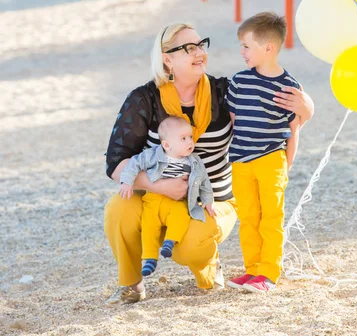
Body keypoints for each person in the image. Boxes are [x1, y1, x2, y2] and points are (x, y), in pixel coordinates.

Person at [104, 22, 314, 304]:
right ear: (168, 59)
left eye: (201, 45)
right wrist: (160, 186)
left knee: (192, 248)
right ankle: (131, 284)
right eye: (189, 48)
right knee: (119, 208)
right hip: (157, 199)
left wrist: (306, 107)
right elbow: (116, 161)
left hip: (214, 200)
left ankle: (209, 265)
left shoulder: (225, 91)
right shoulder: (144, 100)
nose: (199, 52)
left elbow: (277, 98)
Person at [225, 12, 303, 294]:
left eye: (246, 46)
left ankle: (269, 272)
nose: (242, 52)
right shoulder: (239, 81)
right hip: (241, 162)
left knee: (271, 218)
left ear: (267, 48)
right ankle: (252, 269)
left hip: (272, 161)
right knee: (248, 218)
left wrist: (286, 165)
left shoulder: (289, 87)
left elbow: (294, 129)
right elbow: (234, 120)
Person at [119, 116, 215, 277]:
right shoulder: (152, 155)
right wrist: (127, 182)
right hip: (153, 200)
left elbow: (204, 182)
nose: (190, 142)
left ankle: (170, 242)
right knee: (149, 226)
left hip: (177, 201)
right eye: (183, 138)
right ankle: (149, 258)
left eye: (190, 137)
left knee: (181, 216)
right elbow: (134, 163)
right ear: (166, 145)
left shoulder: (194, 161)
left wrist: (208, 200)